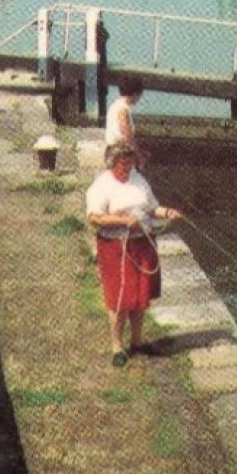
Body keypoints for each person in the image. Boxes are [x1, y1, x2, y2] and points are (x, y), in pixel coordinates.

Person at [84, 140, 181, 367]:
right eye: (122, 165)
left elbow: (151, 208)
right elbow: (94, 218)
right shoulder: (102, 186)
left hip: (143, 243)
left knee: (140, 295)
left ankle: (137, 342)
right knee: (119, 298)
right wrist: (124, 220)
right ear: (112, 163)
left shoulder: (139, 179)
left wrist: (166, 211)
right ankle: (117, 346)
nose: (126, 169)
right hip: (116, 247)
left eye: (129, 164)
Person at [105, 76, 144, 156]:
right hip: (120, 152)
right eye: (140, 95)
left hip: (113, 149)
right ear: (135, 94)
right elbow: (127, 135)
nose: (139, 98)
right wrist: (138, 154)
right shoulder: (123, 109)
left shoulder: (115, 105)